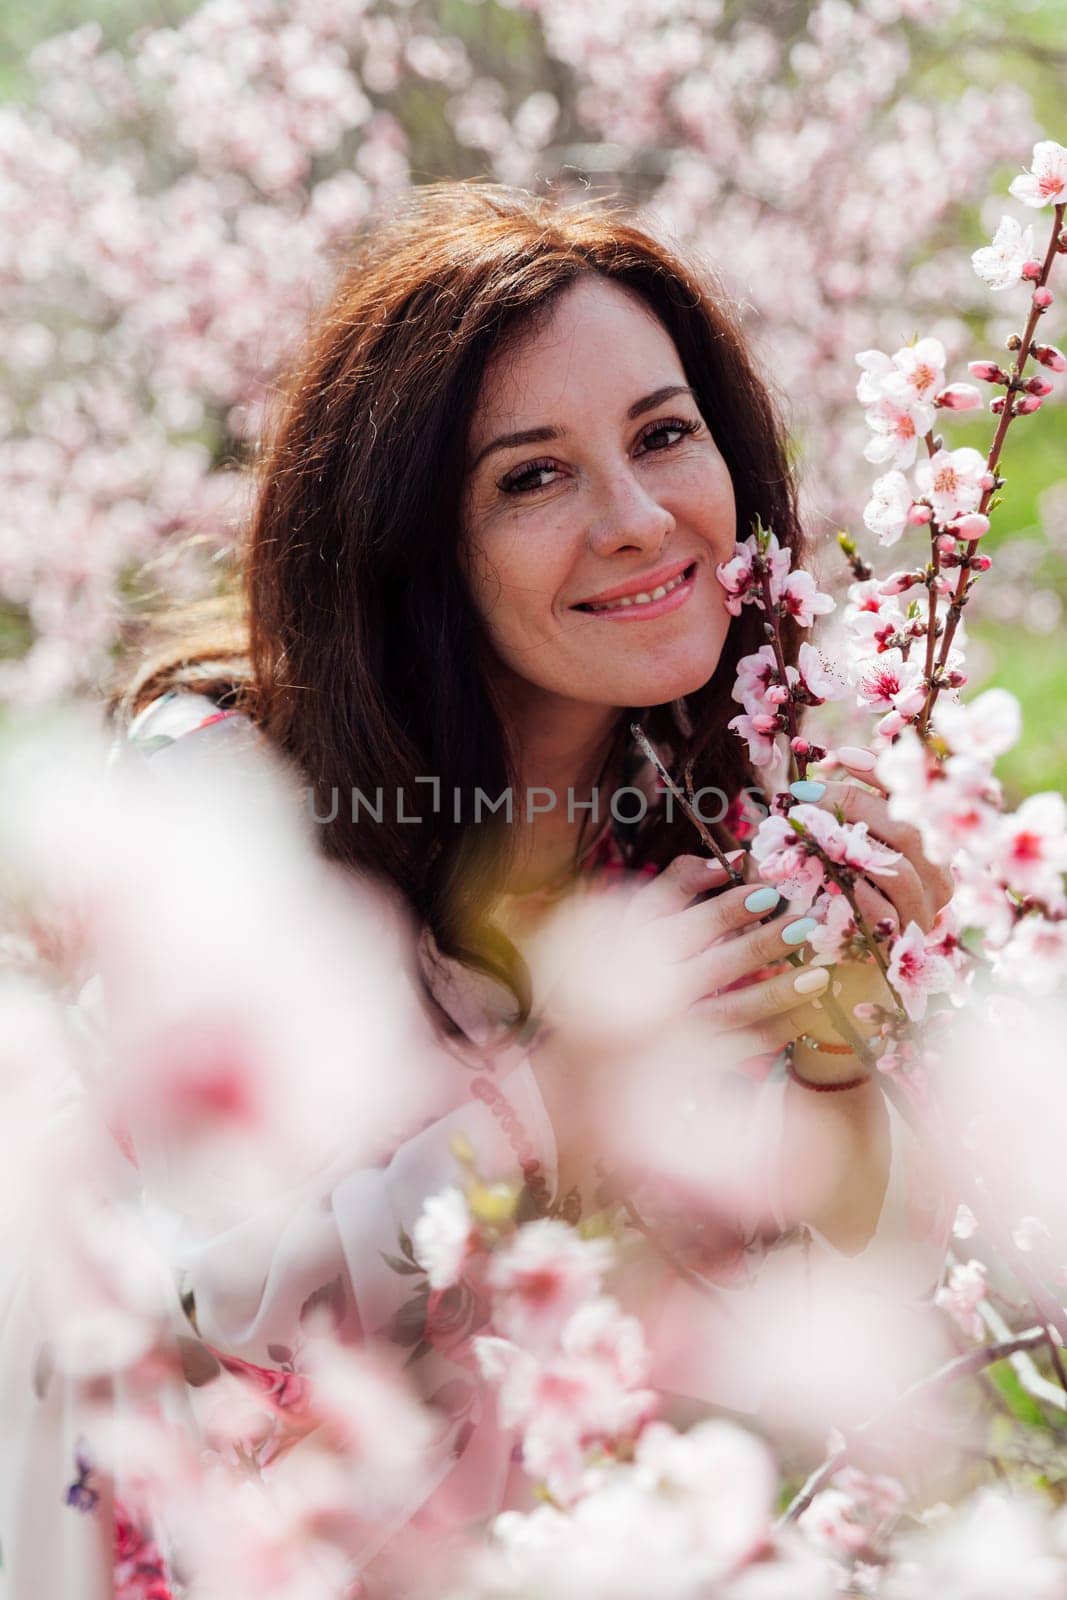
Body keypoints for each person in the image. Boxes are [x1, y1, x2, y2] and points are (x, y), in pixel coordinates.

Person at [1, 180, 953, 1596]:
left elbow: (831, 1237)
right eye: (532, 476)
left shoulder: (691, 815)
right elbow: (235, 1290)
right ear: (414, 545)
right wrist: (545, 1099)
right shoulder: (226, 799)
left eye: (664, 434)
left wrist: (836, 1028)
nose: (638, 520)